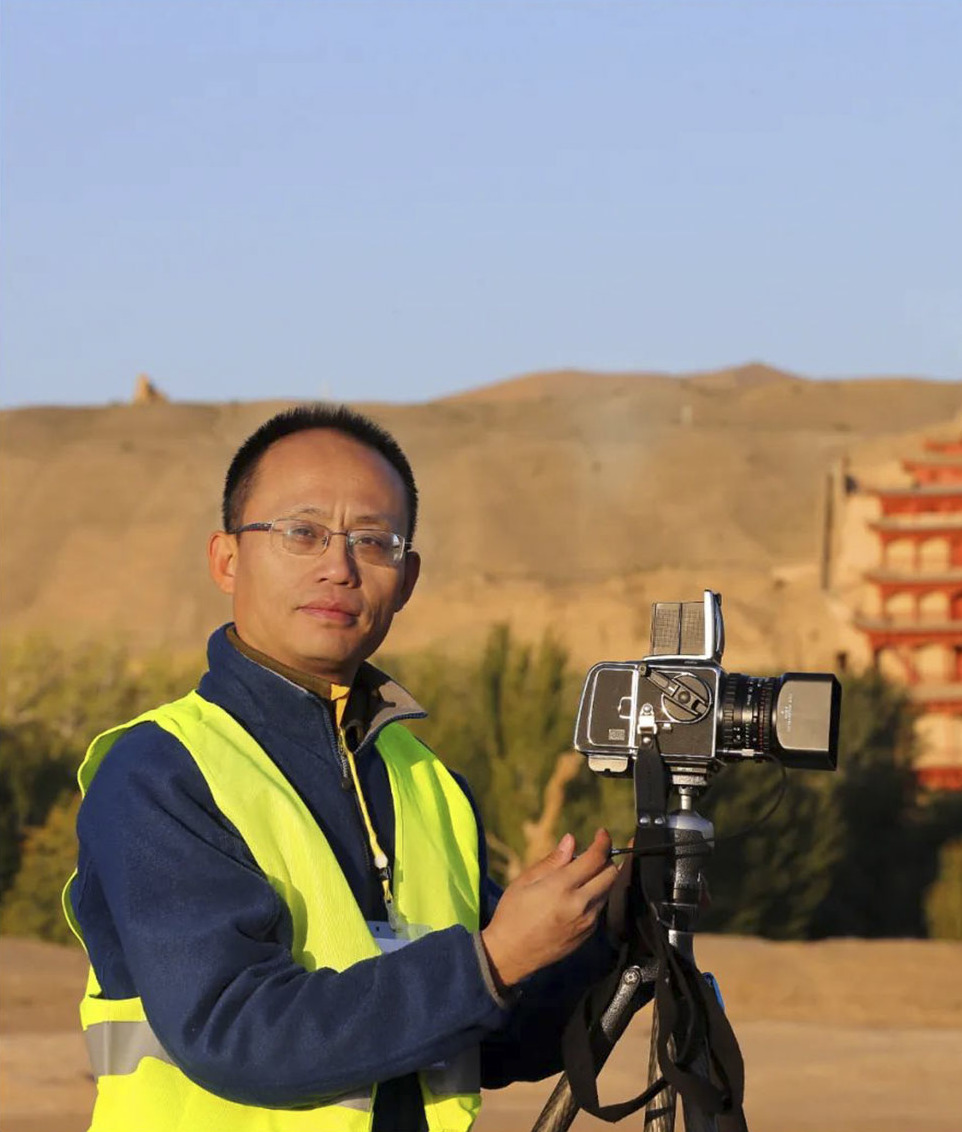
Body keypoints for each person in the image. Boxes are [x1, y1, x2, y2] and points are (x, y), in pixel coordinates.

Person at [65, 404, 624, 1131]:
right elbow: (236, 1031)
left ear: (408, 577)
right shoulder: (161, 770)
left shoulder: (425, 783)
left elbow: (490, 1036)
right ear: (227, 559)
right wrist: (491, 960)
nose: (339, 567)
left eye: (373, 541)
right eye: (301, 533)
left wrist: (613, 929)